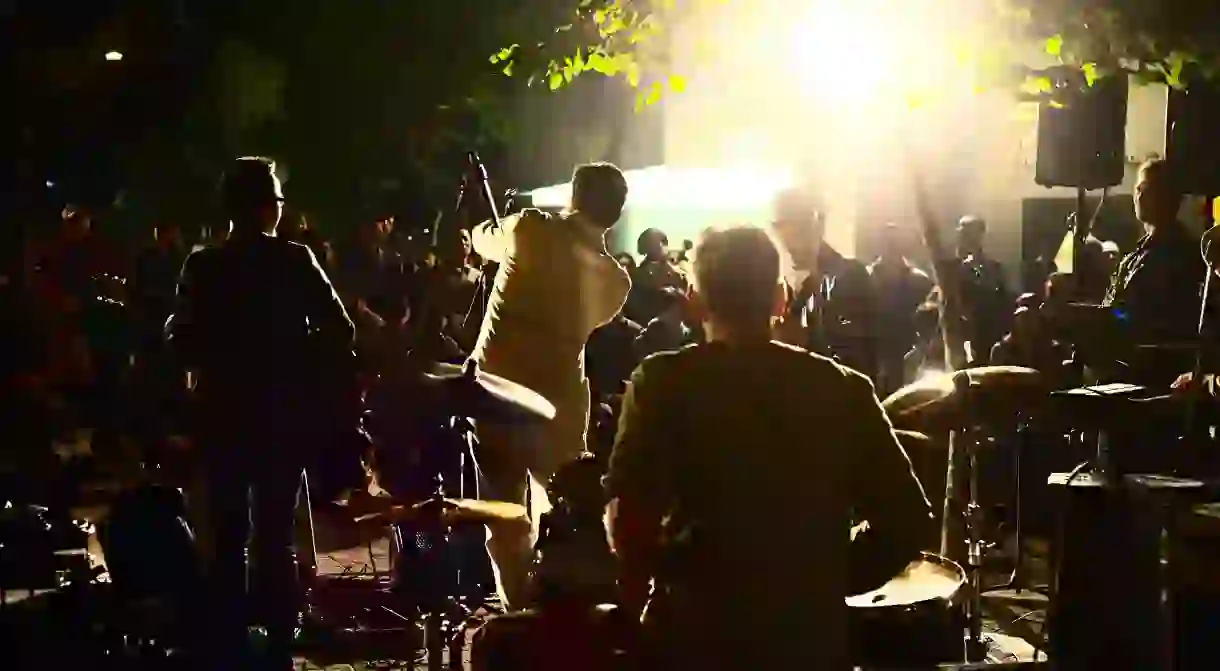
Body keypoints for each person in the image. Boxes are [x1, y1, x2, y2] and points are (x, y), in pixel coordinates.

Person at [605, 225, 932, 671]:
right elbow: (908, 520)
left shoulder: (663, 382)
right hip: (807, 641)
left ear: (694, 301)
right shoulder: (844, 388)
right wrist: (828, 578)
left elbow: (629, 523)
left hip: (696, 637)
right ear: (780, 298)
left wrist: (666, 584)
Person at [167, 156, 354, 670]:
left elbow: (181, 340)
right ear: (270, 209)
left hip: (223, 415)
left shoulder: (202, 265)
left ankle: (228, 641)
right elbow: (341, 330)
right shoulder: (295, 260)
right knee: (274, 533)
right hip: (283, 414)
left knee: (226, 532)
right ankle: (277, 640)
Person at [469, 162, 632, 610]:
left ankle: (517, 612)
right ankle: (555, 613)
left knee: (503, 515)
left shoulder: (528, 229)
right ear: (616, 214)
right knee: (561, 510)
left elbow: (482, 240)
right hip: (558, 405)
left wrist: (493, 226)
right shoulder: (618, 282)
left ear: (572, 197)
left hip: (493, 395)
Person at [772, 188, 878, 379]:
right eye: (780, 227)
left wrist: (805, 342)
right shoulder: (786, 282)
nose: (788, 238)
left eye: (799, 226)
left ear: (817, 224)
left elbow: (857, 358)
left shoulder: (849, 276)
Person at [868, 223, 935, 396]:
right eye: (887, 241)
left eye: (894, 241)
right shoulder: (867, 278)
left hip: (911, 352)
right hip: (876, 353)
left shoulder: (919, 280)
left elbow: (931, 318)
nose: (890, 246)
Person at [954, 215, 1012, 365]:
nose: (967, 238)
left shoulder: (993, 267)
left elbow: (1002, 297)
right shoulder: (955, 268)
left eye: (971, 233)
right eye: (965, 234)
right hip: (963, 332)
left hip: (987, 329)